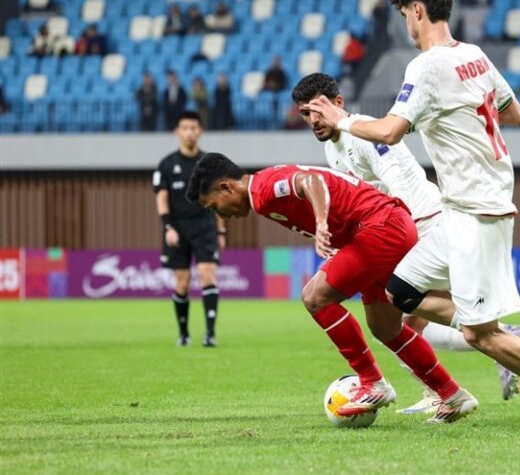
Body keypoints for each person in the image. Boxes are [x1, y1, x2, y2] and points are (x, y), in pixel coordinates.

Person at [307, 0, 520, 435]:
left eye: (405, 14)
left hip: (477, 211)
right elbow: (514, 113)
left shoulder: (426, 66)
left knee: (479, 334)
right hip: (460, 209)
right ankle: (498, 334)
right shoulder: (475, 56)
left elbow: (389, 131)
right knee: (399, 290)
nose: (406, 24)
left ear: (418, 10)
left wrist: (343, 119)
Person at [293, 72, 520, 415]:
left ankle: (502, 340)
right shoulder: (335, 148)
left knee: (399, 322)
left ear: (338, 104)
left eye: (319, 110)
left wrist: (398, 233)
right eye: (306, 114)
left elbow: (399, 180)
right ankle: (446, 386)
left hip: (421, 223)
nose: (314, 120)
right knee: (402, 325)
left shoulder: (363, 130)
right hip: (403, 227)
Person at [186, 153, 479, 423]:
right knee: (385, 327)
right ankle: (452, 395)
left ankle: (372, 382)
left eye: (214, 207)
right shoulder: (265, 183)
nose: (220, 215)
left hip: (379, 228)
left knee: (314, 297)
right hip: (386, 226)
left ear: (226, 188)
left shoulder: (262, 190)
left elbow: (310, 181)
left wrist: (322, 222)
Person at [153, 111, 226, 347]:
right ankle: (183, 334)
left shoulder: (210, 164)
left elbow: (220, 199)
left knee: (208, 275)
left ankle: (210, 334)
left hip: (205, 227)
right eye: (184, 128)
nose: (189, 132)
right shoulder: (166, 164)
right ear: (177, 132)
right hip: (178, 230)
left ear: (200, 131)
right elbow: (161, 200)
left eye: (193, 128)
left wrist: (221, 231)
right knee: (182, 283)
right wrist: (168, 228)